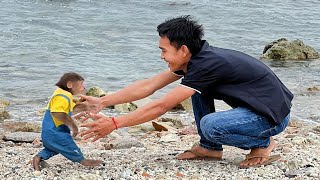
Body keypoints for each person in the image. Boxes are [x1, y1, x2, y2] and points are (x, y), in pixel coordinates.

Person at [76, 16, 293, 168]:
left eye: (164, 50)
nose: (161, 56)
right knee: (195, 90)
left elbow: (162, 106)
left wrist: (114, 124)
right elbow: (149, 85)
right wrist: (103, 102)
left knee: (211, 125)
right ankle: (210, 149)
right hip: (262, 109)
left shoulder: (206, 65)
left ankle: (263, 143)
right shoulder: (197, 60)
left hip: (272, 118)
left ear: (183, 50)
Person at [32, 72, 102, 171]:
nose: (83, 87)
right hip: (55, 132)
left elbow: (69, 110)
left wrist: (87, 107)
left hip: (49, 132)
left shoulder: (63, 94)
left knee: (55, 147)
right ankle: (83, 160)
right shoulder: (63, 96)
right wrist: (74, 127)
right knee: (68, 144)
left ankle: (38, 158)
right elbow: (58, 113)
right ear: (69, 85)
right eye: (81, 84)